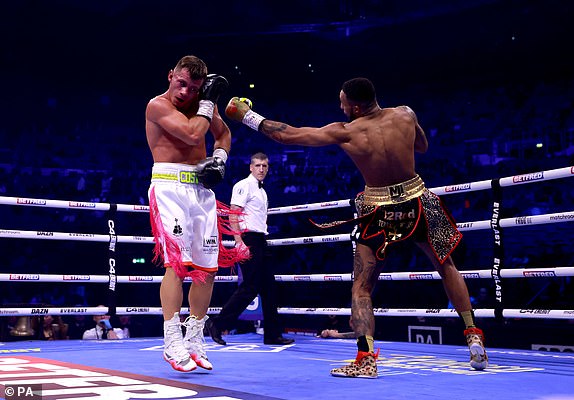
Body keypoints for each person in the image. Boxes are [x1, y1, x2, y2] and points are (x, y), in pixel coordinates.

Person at [225, 77, 488, 378]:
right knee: (447, 266)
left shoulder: (347, 132)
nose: (340, 106)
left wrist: (245, 115)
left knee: (362, 287)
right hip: (417, 200)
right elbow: (423, 146)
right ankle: (473, 335)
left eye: (343, 102)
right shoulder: (405, 113)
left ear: (356, 106)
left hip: (378, 208)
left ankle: (366, 359)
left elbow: (289, 135)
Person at [146, 55, 248, 372]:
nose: (186, 92)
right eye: (182, 83)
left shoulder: (202, 106)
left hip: (201, 191)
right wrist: (208, 101)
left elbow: (224, 135)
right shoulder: (157, 106)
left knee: (207, 269)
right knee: (176, 265)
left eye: (194, 88)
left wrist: (219, 159)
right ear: (170, 75)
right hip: (169, 187)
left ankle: (194, 339)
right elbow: (192, 134)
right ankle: (171, 340)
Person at [205, 152, 295, 346]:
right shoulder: (243, 186)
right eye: (258, 165)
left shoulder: (262, 191)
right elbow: (233, 215)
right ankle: (217, 324)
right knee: (250, 287)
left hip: (261, 240)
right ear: (251, 167)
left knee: (269, 289)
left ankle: (272, 335)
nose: (261, 169)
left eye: (265, 166)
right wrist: (239, 242)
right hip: (248, 239)